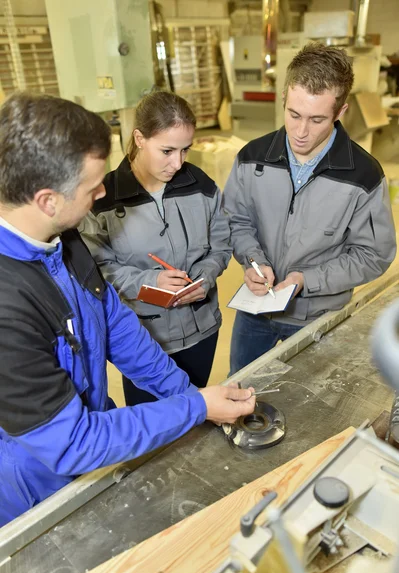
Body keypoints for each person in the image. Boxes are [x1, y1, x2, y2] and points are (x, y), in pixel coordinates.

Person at [0, 93, 255, 526]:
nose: (104, 192)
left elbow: (117, 327)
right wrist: (195, 409)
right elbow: (72, 442)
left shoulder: (61, 238)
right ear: (48, 199)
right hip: (36, 491)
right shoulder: (9, 307)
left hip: (92, 449)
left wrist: (189, 395)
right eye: (92, 186)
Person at [224, 42, 396, 374]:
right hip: (254, 310)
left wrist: (308, 280)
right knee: (240, 391)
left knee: (307, 404)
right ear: (285, 99)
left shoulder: (364, 175)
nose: (301, 132)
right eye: (294, 114)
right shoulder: (251, 158)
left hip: (317, 316)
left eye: (317, 119)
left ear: (341, 111)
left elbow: (373, 255)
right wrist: (253, 259)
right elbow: (235, 219)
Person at [81, 91, 231, 405]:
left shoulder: (200, 185)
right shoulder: (103, 198)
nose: (178, 163)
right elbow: (94, 271)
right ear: (139, 138)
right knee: (154, 433)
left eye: (185, 149)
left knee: (194, 412)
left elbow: (221, 243)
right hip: (145, 341)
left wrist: (205, 276)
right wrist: (148, 282)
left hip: (202, 329)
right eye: (167, 150)